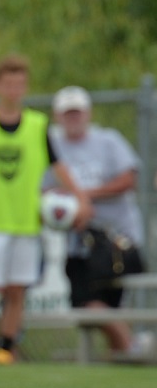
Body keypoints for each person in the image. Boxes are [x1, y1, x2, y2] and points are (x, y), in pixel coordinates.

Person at [0, 56, 90, 365]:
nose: (14, 89)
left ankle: (6, 347)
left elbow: (58, 166)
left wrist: (80, 197)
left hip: (25, 222)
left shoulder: (37, 126)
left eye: (19, 83)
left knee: (16, 289)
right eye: (8, 83)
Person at [45, 85, 147, 357]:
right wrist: (69, 209)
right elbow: (44, 192)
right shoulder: (52, 146)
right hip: (78, 243)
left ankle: (123, 354)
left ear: (88, 113)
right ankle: (131, 346)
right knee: (84, 303)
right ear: (58, 116)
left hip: (115, 239)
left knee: (108, 304)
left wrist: (84, 197)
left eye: (77, 112)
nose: (73, 118)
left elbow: (129, 179)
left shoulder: (108, 140)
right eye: (68, 113)